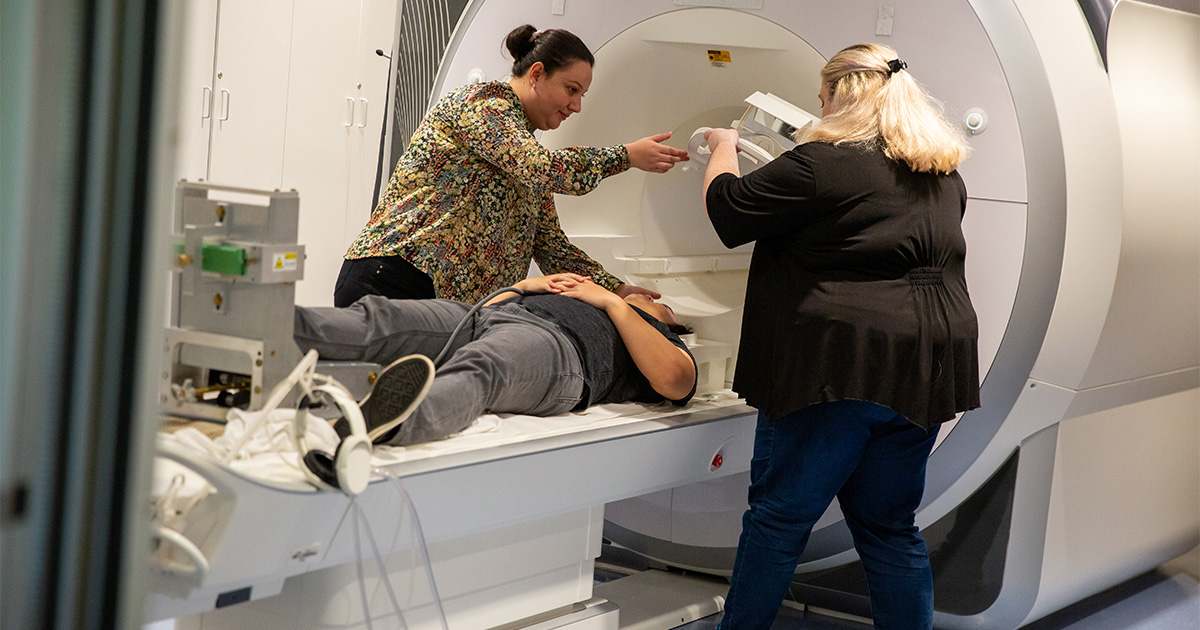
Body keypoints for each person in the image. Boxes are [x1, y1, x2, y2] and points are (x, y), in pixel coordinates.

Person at [701, 44, 980, 629]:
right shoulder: (941, 173)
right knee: (888, 527)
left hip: (835, 368)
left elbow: (728, 210)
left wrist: (723, 148)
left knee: (778, 521)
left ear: (836, 97)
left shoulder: (820, 165)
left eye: (820, 97)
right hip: (921, 366)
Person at [335, 24, 689, 307]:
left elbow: (551, 246)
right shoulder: (484, 106)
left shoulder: (522, 149)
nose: (576, 106)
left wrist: (617, 289)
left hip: (443, 300)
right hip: (393, 280)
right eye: (571, 89)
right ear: (536, 74)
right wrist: (625, 156)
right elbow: (542, 168)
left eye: (582, 95)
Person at [296, 273, 697, 446]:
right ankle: (274, 325)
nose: (649, 295)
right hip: (488, 314)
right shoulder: (598, 299)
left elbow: (676, 381)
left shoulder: (658, 335)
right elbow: (496, 306)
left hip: (559, 348)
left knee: (483, 367)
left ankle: (385, 423)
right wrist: (523, 287)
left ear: (672, 322)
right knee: (384, 318)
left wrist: (614, 302)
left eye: (661, 304)